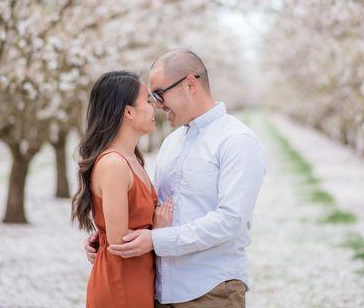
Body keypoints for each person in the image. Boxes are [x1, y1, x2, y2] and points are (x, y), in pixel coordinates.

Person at [84, 50, 266, 308]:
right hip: (158, 292)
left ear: (190, 84)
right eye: (151, 98)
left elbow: (230, 221)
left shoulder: (236, 141)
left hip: (210, 291)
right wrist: (107, 237)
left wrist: (155, 240)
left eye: (159, 94)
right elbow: (151, 210)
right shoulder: (171, 143)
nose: (157, 105)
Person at [72, 70, 174, 308]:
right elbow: (120, 240)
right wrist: (157, 231)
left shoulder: (132, 159)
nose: (154, 108)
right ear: (128, 111)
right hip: (121, 283)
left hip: (138, 276)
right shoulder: (114, 164)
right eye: (147, 101)